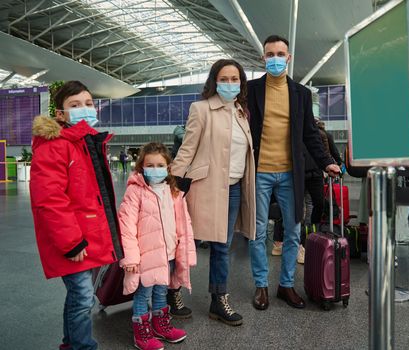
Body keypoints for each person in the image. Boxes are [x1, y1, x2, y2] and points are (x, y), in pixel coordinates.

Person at [247, 35, 340, 311]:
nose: (275, 58)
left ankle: (286, 285)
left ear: (288, 57)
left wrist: (327, 162)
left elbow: (310, 134)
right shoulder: (251, 90)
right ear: (263, 57)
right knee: (257, 232)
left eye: (280, 53)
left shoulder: (300, 93)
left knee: (293, 230)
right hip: (259, 171)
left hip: (290, 173)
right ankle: (261, 285)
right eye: (269, 54)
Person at [29, 80, 123, 350]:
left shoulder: (84, 142)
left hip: (86, 237)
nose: (84, 109)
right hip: (73, 240)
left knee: (79, 296)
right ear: (60, 114)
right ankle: (83, 346)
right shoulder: (55, 145)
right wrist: (71, 242)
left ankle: (70, 343)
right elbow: (49, 199)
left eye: (89, 103)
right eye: (75, 105)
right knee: (82, 296)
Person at [171, 59, 256, 326]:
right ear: (214, 81)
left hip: (232, 189)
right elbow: (187, 148)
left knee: (222, 246)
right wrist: (173, 182)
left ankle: (218, 300)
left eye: (235, 79)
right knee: (188, 243)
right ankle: (171, 291)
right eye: (224, 78)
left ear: (241, 83)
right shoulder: (201, 109)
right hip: (204, 187)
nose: (229, 84)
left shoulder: (242, 112)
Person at [119, 142, 196, 350]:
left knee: (162, 292)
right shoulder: (135, 192)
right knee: (143, 294)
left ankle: (160, 326)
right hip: (145, 257)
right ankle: (141, 333)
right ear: (141, 167)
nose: (155, 169)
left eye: (159, 164)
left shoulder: (174, 192)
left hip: (169, 254)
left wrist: (187, 254)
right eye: (149, 165)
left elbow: (184, 225)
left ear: (168, 167)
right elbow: (126, 227)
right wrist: (131, 258)